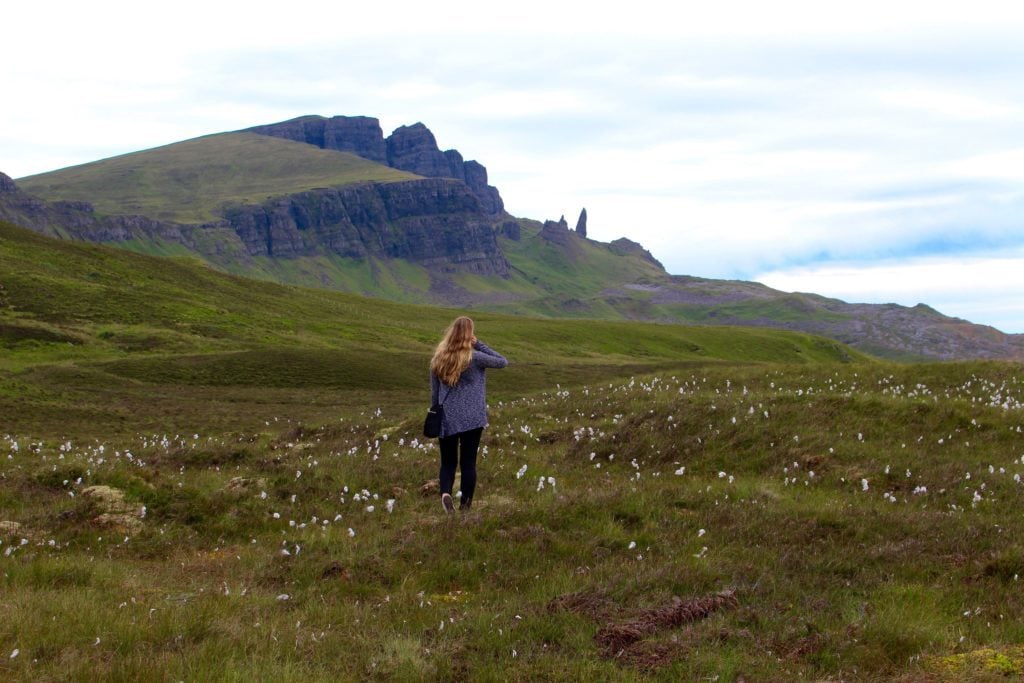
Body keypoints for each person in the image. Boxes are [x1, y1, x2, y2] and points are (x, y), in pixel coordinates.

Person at [429, 316, 507, 513]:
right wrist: (479, 344)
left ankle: (446, 493)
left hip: (447, 417)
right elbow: (502, 362)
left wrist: (436, 414)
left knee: (447, 462)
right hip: (473, 418)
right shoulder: (475, 357)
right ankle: (465, 508)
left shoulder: (438, 358)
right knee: (468, 462)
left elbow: (435, 393)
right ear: (468, 335)